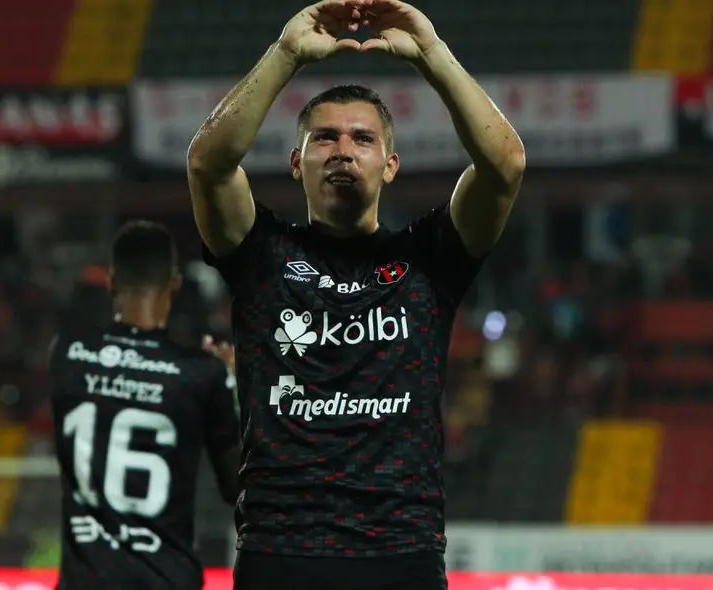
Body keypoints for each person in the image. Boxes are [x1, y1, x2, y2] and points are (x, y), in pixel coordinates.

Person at [187, 0, 525, 588]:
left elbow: (505, 165)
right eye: (324, 138)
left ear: (390, 164)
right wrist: (286, 53)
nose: (343, 149)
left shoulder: (429, 259)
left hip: (401, 553)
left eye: (362, 138)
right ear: (296, 162)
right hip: (281, 551)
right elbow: (208, 166)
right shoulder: (261, 255)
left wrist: (432, 54)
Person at [49, 220, 240, 590]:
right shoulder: (200, 373)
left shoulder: (67, 353)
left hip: (84, 581)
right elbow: (236, 486)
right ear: (174, 284)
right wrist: (232, 386)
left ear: (111, 281)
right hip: (165, 579)